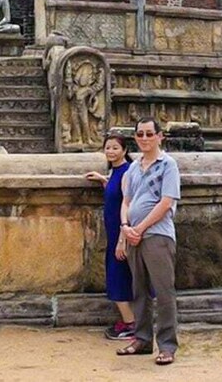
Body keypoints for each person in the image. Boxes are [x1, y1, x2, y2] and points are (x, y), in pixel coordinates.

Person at [115, 117, 180, 366]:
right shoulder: (133, 168)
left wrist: (139, 227)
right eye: (140, 134)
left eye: (149, 134)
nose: (144, 138)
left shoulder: (168, 165)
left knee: (164, 291)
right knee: (138, 290)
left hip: (157, 234)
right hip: (134, 235)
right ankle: (141, 338)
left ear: (159, 136)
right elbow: (126, 201)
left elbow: (166, 202)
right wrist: (125, 227)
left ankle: (167, 345)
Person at [85, 132, 135, 340]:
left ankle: (130, 323)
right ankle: (129, 320)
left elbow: (129, 202)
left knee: (117, 277)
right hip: (114, 231)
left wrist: (122, 240)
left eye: (115, 148)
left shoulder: (127, 172)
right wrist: (103, 180)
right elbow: (116, 191)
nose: (111, 151)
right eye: (108, 148)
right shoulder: (116, 172)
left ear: (124, 150)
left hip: (122, 233)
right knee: (119, 275)